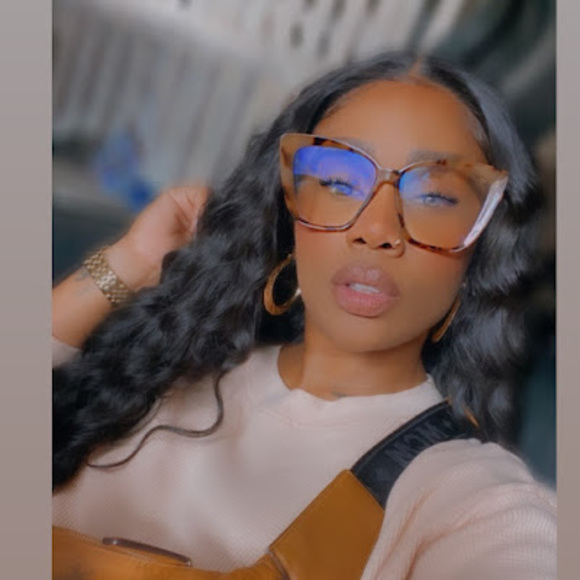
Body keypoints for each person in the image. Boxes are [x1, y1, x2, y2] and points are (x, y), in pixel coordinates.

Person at [52, 51, 556, 579]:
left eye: (432, 195)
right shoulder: (165, 362)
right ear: (288, 205)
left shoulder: (468, 500)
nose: (376, 229)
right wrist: (128, 262)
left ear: (481, 246)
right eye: (338, 182)